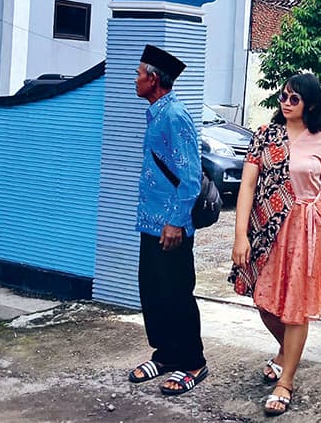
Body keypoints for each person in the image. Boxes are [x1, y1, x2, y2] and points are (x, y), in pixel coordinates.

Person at [230, 73, 321, 416]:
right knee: (264, 301)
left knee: (296, 307)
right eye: (283, 96)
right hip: (266, 229)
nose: (286, 102)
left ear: (310, 103)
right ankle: (287, 351)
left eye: (294, 98)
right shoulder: (265, 136)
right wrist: (240, 234)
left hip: (308, 229)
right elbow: (247, 186)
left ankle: (286, 381)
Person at [127, 45, 208, 396]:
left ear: (154, 79)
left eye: (139, 74)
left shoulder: (175, 115)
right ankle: (165, 354)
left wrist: (176, 221)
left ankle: (192, 361)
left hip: (170, 226)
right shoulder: (156, 112)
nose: (135, 79)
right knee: (153, 291)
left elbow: (190, 176)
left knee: (176, 294)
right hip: (150, 222)